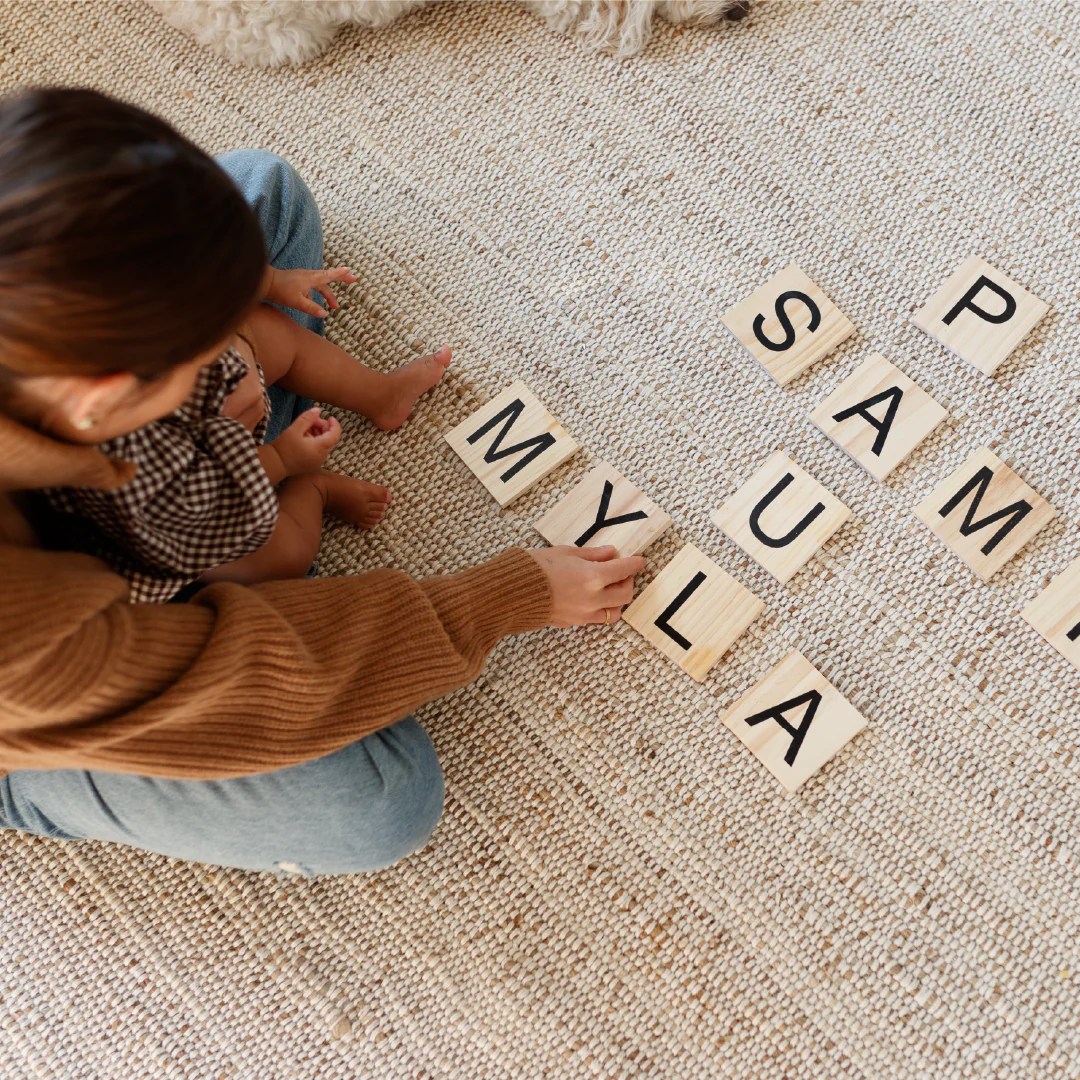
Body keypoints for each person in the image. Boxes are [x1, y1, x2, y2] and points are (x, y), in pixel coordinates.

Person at [0, 87, 644, 875]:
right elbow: (236, 686)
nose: (231, 354)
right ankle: (33, 792)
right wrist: (498, 599)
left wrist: (253, 290)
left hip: (78, 475)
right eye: (206, 360)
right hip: (39, 698)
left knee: (262, 189)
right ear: (107, 402)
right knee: (381, 799)